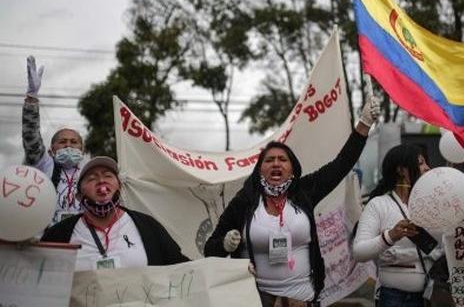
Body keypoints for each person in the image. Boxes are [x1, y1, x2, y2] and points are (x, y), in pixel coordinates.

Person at [204, 95, 380, 307]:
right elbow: (210, 249)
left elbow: (341, 165)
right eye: (269, 160)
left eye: (282, 159)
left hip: (303, 300)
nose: (276, 164)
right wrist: (225, 244)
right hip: (257, 301)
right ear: (260, 169)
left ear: (292, 169)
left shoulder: (304, 191)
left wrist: (364, 124)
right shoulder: (245, 200)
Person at [41, 156, 189, 271]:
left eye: (108, 176)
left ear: (119, 186)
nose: (101, 181)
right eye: (91, 178)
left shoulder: (148, 226)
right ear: (79, 195)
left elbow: (180, 267)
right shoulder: (58, 235)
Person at [352, 144, 443, 307]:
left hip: (432, 297)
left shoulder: (435, 204)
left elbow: (445, 248)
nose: (427, 168)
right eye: (421, 163)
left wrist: (397, 255)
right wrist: (390, 236)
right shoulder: (378, 205)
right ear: (401, 170)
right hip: (393, 299)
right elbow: (359, 252)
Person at [22, 56, 86, 224]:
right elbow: (31, 136)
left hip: (81, 240)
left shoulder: (90, 173)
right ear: (50, 150)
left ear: (82, 150)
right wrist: (31, 98)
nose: (68, 145)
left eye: (74, 142)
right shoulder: (44, 165)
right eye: (62, 142)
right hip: (46, 238)